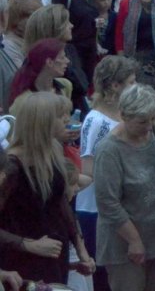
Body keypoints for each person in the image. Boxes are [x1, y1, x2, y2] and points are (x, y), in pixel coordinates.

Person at [0, 91, 92, 284]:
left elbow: (59, 203)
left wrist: (79, 246)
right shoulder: (12, 167)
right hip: (22, 260)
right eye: (60, 116)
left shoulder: (53, 151)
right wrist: (29, 245)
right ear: (43, 122)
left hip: (54, 253)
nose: (67, 119)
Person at [92, 83, 155, 291]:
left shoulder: (151, 132)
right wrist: (134, 240)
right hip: (124, 245)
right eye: (142, 121)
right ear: (124, 115)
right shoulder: (109, 150)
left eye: (152, 118)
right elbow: (107, 202)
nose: (149, 125)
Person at [77, 55, 137, 291]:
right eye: (131, 82)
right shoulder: (96, 121)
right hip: (96, 210)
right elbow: (88, 170)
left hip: (118, 206)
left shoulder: (122, 115)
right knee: (104, 277)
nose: (135, 87)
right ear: (115, 86)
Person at [8, 38, 72, 106]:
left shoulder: (65, 86)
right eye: (62, 58)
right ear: (49, 62)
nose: (67, 61)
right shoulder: (23, 101)